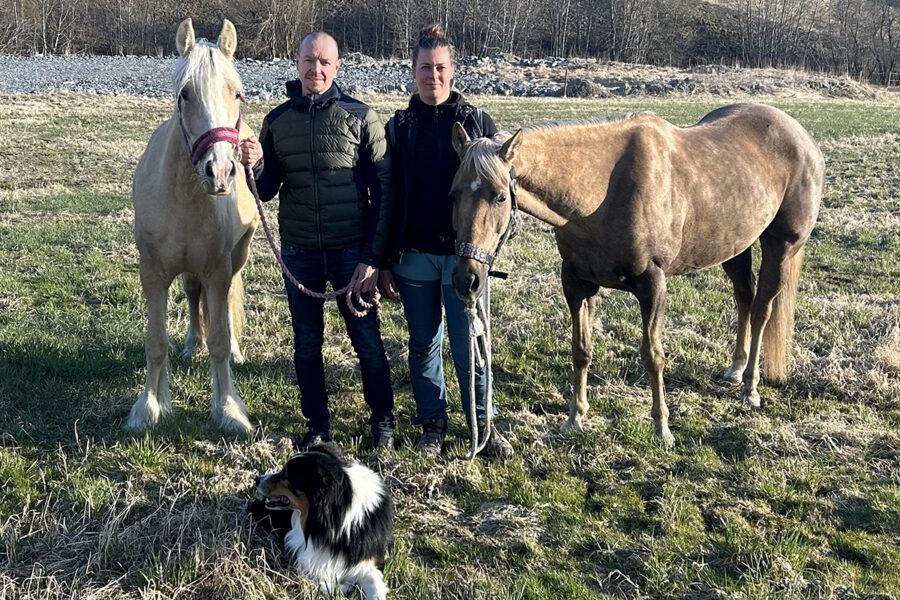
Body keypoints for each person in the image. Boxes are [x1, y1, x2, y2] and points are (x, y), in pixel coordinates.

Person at [240, 32, 395, 451]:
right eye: (309, 60)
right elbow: (268, 188)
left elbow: (384, 193)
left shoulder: (362, 117)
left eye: (325, 61)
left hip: (351, 254)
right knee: (307, 344)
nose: (316, 68)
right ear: (296, 62)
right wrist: (253, 166)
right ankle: (318, 425)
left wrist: (371, 257)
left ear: (337, 66)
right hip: (300, 253)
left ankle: (383, 423)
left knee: (367, 342)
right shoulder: (277, 122)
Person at [380, 25, 513, 457]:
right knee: (422, 346)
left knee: (469, 344)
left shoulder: (480, 123)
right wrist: (384, 258)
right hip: (415, 257)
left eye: (440, 68)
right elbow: (387, 194)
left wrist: (488, 251)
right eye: (424, 68)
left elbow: (501, 197)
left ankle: (484, 424)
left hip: (464, 261)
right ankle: (432, 424)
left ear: (452, 70)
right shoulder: (397, 127)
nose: (431, 76)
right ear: (413, 71)